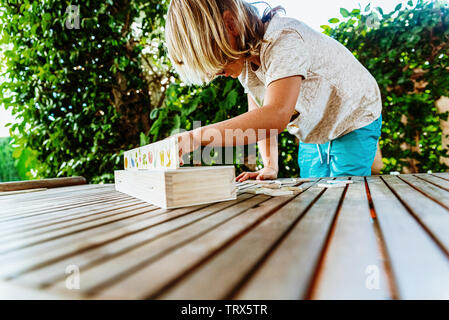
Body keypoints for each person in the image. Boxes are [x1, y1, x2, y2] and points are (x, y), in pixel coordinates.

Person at [164, 0, 383, 181]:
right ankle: (370, 160)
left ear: (230, 24)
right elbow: (258, 117)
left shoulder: (284, 39)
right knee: (315, 189)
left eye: (215, 60)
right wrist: (269, 165)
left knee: (344, 196)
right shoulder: (245, 66)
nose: (214, 73)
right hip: (316, 130)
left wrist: (197, 137)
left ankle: (369, 158)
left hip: (353, 116)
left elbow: (275, 115)